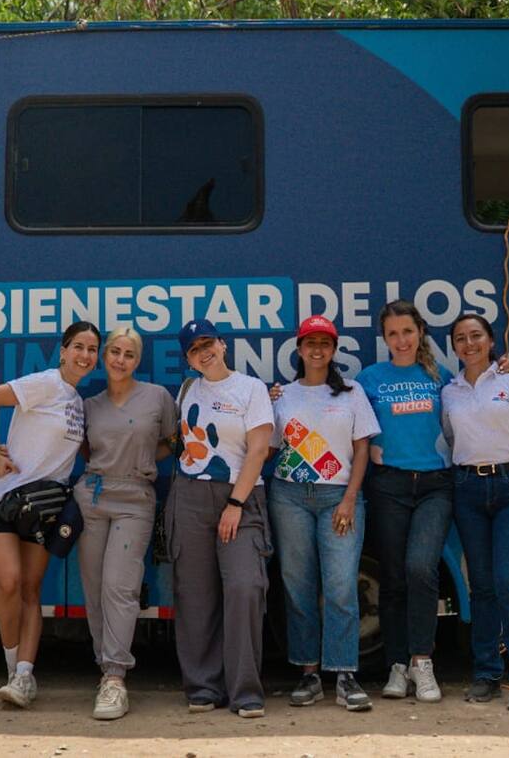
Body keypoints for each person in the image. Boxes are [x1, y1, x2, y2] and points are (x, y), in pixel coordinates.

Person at [0, 320, 100, 707]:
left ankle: (24, 677)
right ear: (63, 351)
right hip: (2, 497)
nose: (85, 355)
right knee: (9, 581)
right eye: (78, 347)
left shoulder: (77, 402)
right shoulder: (46, 383)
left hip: (45, 505)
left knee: (31, 588)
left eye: (92, 350)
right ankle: (12, 665)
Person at [268, 315, 381, 711]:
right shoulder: (282, 396)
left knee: (341, 586)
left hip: (338, 497)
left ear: (333, 350)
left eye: (325, 343)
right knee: (298, 587)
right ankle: (309, 674)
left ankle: (345, 674)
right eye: (310, 343)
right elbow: (268, 448)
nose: (317, 349)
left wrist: (350, 498)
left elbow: (362, 449)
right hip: (289, 496)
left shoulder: (351, 392)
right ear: (299, 350)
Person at [167, 318, 275, 718]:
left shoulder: (251, 389)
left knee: (246, 586)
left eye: (208, 343)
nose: (204, 352)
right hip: (189, 497)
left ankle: (245, 690)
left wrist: (235, 503)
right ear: (188, 359)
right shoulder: (186, 390)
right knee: (195, 595)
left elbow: (259, 450)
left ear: (222, 344)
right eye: (194, 349)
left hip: (240, 498)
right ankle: (203, 687)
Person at [442, 314, 509, 711]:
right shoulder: (450, 392)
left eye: (476, 336)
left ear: (490, 341)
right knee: (482, 587)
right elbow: (450, 439)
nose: (468, 344)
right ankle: (486, 673)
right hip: (468, 490)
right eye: (460, 338)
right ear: (454, 347)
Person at [76, 326, 178, 720]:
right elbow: (85, 449)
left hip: (135, 498)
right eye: (114, 352)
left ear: (138, 360)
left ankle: (116, 678)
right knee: (94, 589)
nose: (120, 360)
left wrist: (143, 458)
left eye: (129, 354)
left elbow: (173, 440)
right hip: (93, 496)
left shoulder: (157, 397)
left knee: (120, 587)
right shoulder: (90, 405)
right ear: (104, 357)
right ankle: (104, 668)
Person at [355, 300, 454, 702]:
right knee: (393, 577)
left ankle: (422, 662)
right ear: (384, 338)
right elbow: (342, 415)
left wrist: (506, 370)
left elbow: (475, 403)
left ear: (420, 332)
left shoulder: (441, 376)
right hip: (389, 486)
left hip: (435, 486)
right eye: (393, 334)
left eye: (407, 332)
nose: (401, 340)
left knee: (420, 568)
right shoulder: (369, 379)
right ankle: (397, 666)